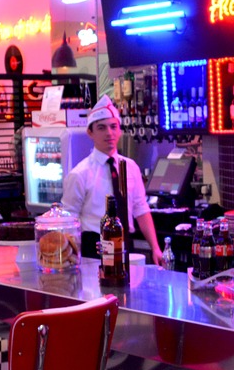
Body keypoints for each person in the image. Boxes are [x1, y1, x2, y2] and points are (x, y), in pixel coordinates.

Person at [62, 97, 161, 263]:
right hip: (94, 249)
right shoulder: (80, 174)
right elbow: (70, 220)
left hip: (126, 244)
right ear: (90, 133)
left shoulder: (130, 167)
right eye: (101, 128)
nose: (109, 133)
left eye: (113, 127)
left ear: (120, 130)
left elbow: (141, 209)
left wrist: (155, 248)